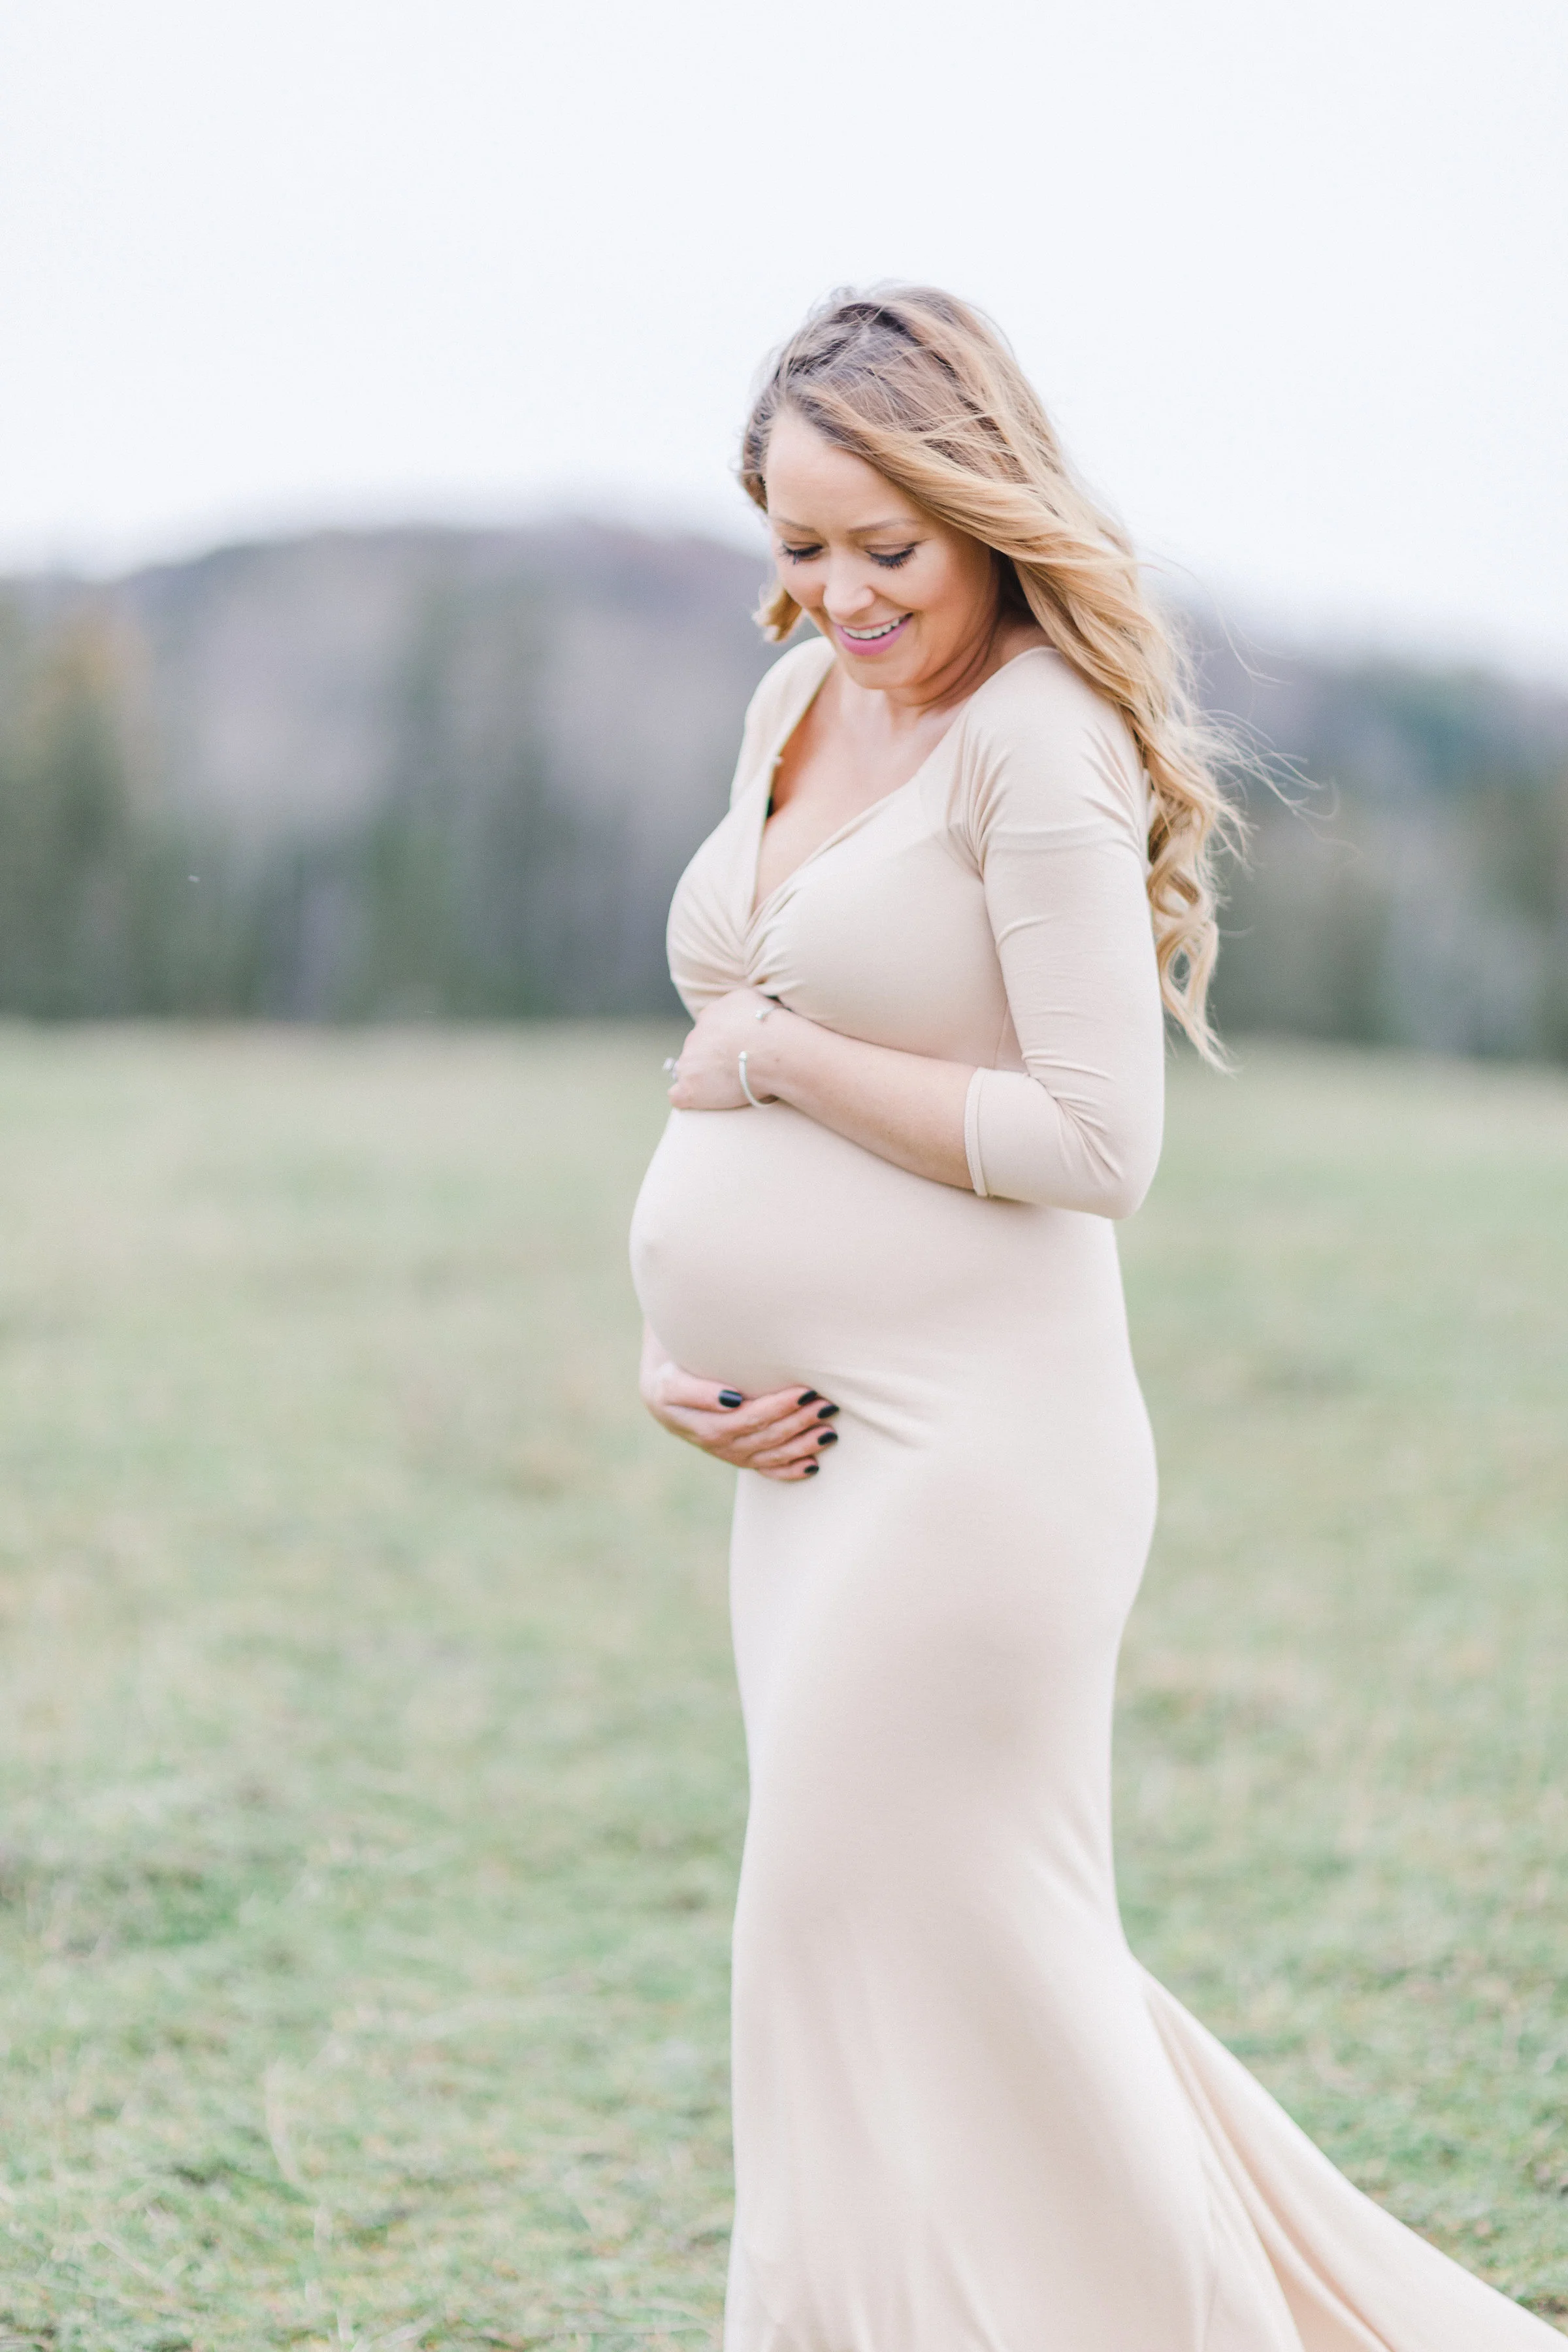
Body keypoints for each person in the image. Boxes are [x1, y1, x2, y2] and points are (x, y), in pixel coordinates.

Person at [628, 286, 1554, 2351]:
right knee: (911, 1963)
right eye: (801, 545)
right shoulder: (789, 714)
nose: (846, 593)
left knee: (888, 1934)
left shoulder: (1036, 738)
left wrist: (773, 1067)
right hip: (810, 1474)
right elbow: (733, 1040)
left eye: (891, 545)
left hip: (982, 1460)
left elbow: (1090, 1134)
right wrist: (675, 1359)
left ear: (982, 510)